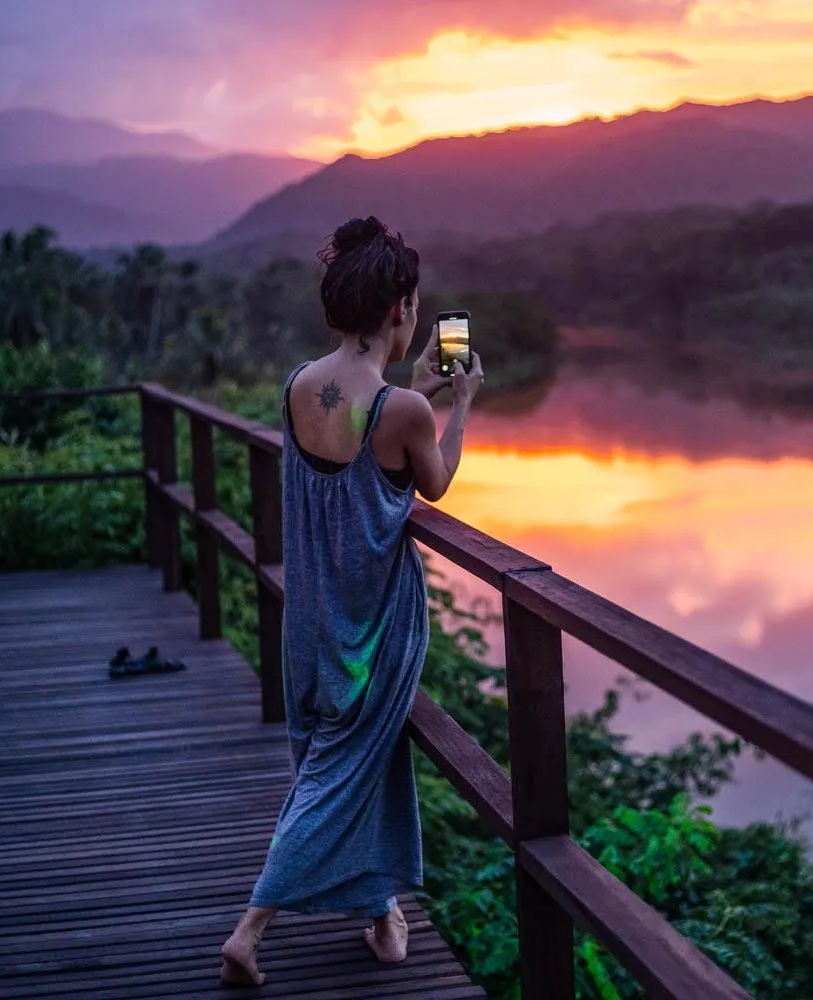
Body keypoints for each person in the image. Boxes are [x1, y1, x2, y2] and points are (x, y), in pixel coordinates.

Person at [220, 217, 484, 987]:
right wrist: (459, 404)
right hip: (371, 631)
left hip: (308, 622)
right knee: (336, 776)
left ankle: (378, 904)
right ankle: (250, 927)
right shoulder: (402, 412)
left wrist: (419, 395)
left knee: (338, 763)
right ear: (400, 309)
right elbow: (431, 483)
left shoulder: (299, 384)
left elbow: (358, 451)